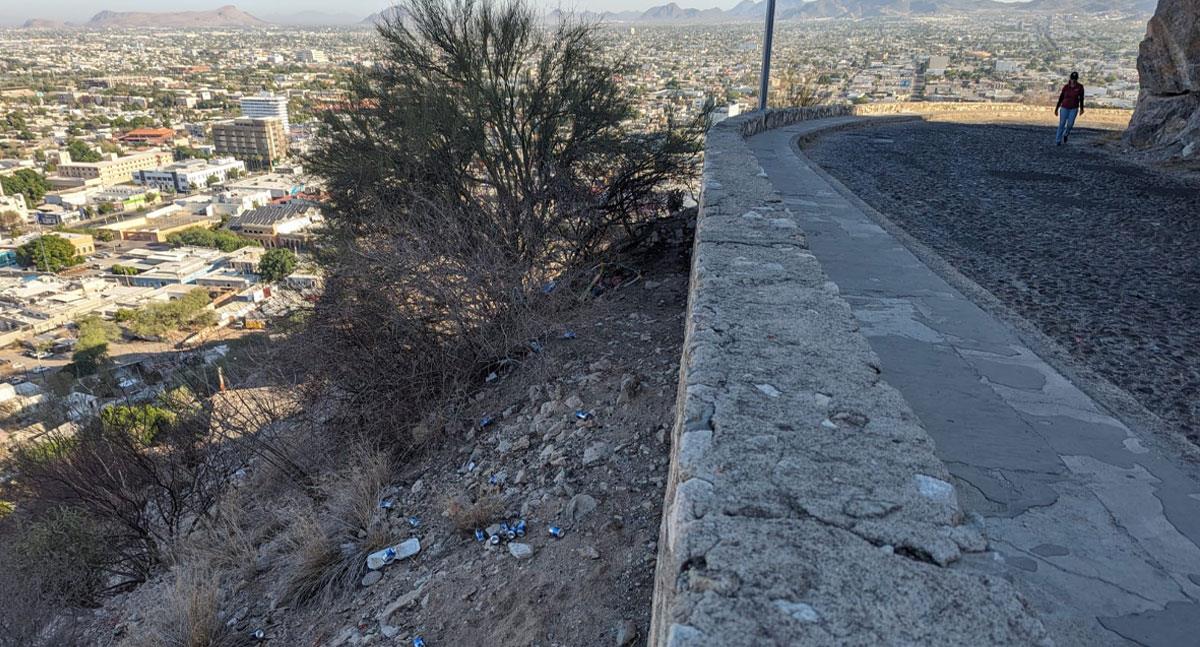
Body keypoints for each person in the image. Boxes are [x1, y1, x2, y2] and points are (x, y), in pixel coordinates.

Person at [1054, 72, 1085, 145]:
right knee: (1061, 123)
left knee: (1070, 124)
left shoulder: (1080, 87)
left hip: (1074, 108)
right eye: (1072, 79)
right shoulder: (1066, 87)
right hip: (1064, 107)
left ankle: (1066, 133)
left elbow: (1081, 98)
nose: (1073, 80)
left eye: (1075, 79)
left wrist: (1082, 108)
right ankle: (1058, 140)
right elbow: (1061, 98)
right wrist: (1056, 108)